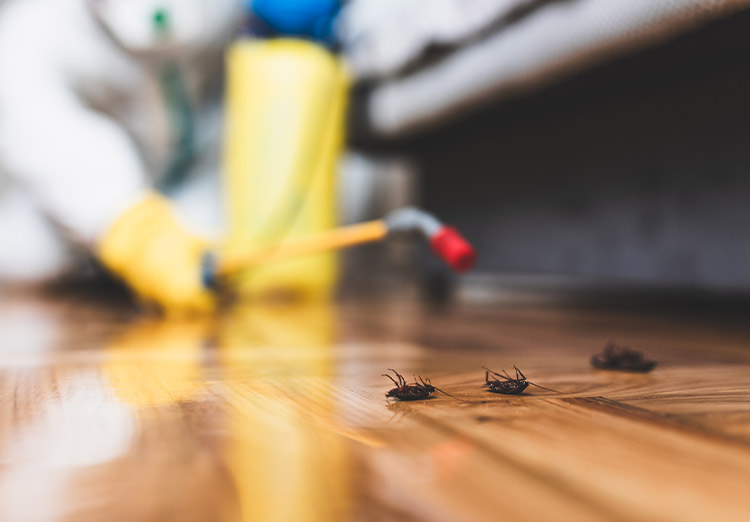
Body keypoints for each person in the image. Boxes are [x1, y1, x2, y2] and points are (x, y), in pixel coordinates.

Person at [0, 0, 241, 312]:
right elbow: (39, 125)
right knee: (32, 255)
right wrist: (130, 224)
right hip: (68, 231)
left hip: (197, 186)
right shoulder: (32, 33)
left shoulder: (231, 12)